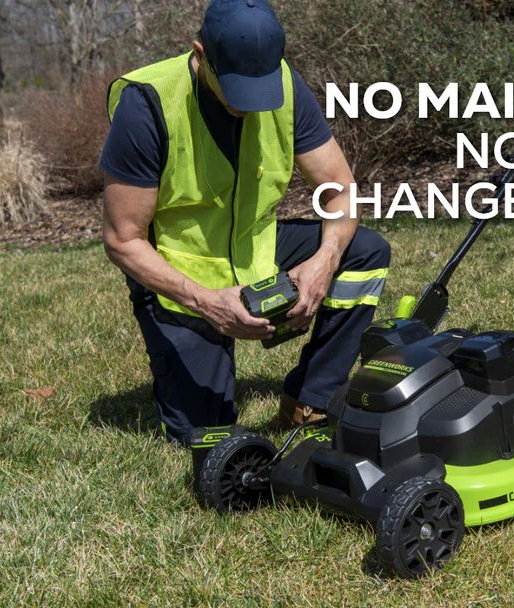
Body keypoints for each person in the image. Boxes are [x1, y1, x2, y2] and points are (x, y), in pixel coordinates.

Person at [99, 0, 390, 444]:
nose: (248, 105)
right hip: (182, 279)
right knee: (207, 436)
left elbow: (340, 189)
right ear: (200, 54)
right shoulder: (147, 104)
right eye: (235, 89)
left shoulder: (287, 86)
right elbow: (122, 240)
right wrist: (208, 302)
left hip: (255, 248)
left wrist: (324, 262)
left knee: (364, 252)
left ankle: (310, 398)